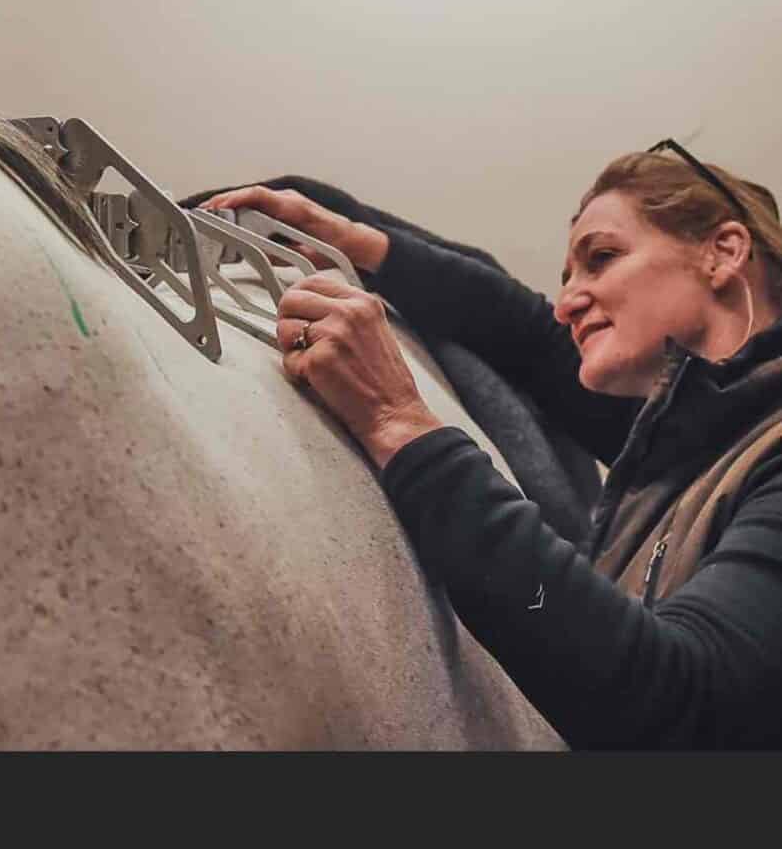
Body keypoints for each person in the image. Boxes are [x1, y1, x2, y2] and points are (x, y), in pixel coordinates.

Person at [199, 142, 782, 749]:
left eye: (602, 258)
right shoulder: (685, 454)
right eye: (567, 278)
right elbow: (524, 333)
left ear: (723, 251)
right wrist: (358, 241)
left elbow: (684, 706)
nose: (567, 305)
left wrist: (398, 422)